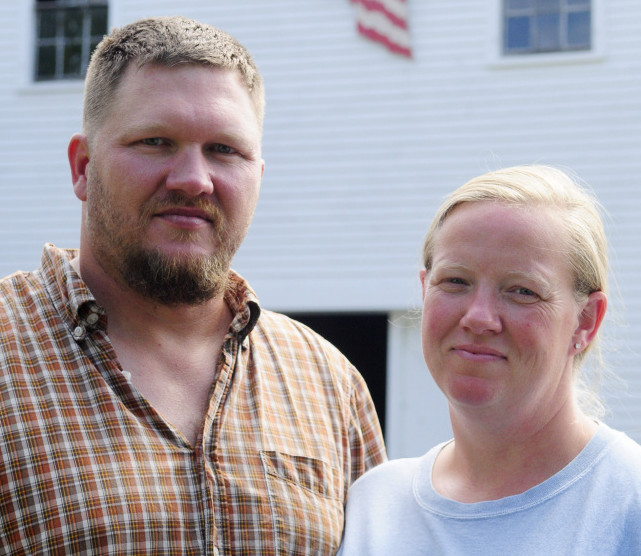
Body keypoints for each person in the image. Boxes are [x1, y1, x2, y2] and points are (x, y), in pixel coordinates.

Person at [0, 16, 386, 555]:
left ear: (258, 176)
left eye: (225, 150)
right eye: (156, 141)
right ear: (83, 167)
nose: (193, 179)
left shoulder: (328, 382)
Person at [338, 165, 641, 555]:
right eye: (455, 281)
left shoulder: (627, 502)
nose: (478, 317)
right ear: (424, 290)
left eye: (522, 291)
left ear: (585, 320)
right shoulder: (373, 506)